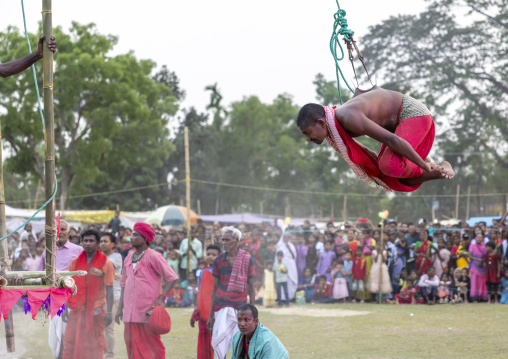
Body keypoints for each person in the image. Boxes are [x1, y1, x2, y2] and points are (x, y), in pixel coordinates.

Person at [296, 86, 454, 193]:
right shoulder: (335, 126)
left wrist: (423, 165)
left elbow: (392, 140)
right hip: (398, 126)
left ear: (321, 122)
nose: (308, 139)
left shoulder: (348, 117)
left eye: (307, 132)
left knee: (389, 165)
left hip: (413, 114)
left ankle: (434, 168)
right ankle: (433, 169)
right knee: (386, 175)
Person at [115, 222, 178, 359]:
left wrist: (162, 298)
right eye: (132, 234)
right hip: (130, 314)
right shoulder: (128, 258)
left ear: (145, 239)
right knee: (131, 348)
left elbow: (172, 277)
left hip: (147, 312)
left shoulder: (154, 256)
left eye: (135, 235)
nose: (131, 237)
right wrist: (120, 309)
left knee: (153, 348)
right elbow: (124, 284)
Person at [63, 230, 115, 359]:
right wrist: (65, 306)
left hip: (96, 310)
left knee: (94, 344)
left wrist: (109, 312)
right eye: (85, 241)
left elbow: (109, 289)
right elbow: (69, 286)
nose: (88, 243)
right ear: (81, 243)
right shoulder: (74, 262)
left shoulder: (106, 263)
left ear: (97, 243)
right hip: (76, 309)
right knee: (70, 341)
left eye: (91, 241)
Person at [207, 227, 256, 359]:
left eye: (227, 240)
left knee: (241, 345)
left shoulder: (247, 260)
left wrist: (253, 312)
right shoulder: (218, 261)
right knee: (219, 344)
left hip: (240, 308)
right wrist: (211, 315)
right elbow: (214, 289)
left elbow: (251, 287)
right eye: (222, 240)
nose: (224, 243)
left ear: (237, 241)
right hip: (221, 307)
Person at [39, 220, 83, 359]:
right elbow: (40, 273)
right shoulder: (48, 252)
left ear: (69, 233)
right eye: (57, 229)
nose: (60, 232)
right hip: (54, 300)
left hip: (73, 299)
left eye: (63, 229)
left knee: (69, 334)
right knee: (56, 335)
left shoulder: (78, 250)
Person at [191, 244, 221, 359]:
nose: (210, 256)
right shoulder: (202, 272)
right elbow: (200, 293)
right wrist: (195, 311)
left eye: (214, 254)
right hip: (203, 313)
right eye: (208, 254)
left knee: (216, 343)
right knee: (204, 342)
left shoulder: (221, 273)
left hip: (216, 313)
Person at [100, 233, 123, 359]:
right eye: (101, 241)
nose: (102, 243)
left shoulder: (116, 257)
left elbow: (104, 269)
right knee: (98, 327)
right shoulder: (100, 256)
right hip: (99, 296)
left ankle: (109, 355)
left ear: (113, 244)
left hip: (112, 297)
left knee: (109, 327)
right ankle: (99, 353)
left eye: (105, 241)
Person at [275, 232, 298, 300]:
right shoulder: (279, 246)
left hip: (291, 265)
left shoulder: (291, 246)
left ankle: (290, 297)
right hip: (281, 265)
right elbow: (277, 257)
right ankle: (282, 298)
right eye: (284, 237)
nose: (286, 239)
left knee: (291, 280)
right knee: (282, 280)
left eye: (287, 237)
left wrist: (288, 247)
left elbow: (294, 256)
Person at [469, 234, 488, 302]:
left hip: (482, 266)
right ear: (475, 238)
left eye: (481, 237)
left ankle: (482, 296)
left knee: (482, 281)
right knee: (474, 281)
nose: (479, 238)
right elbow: (470, 256)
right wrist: (478, 260)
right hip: (474, 266)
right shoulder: (472, 246)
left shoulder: (484, 246)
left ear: (483, 239)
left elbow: (486, 255)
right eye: (478, 237)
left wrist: (482, 261)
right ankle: (474, 297)